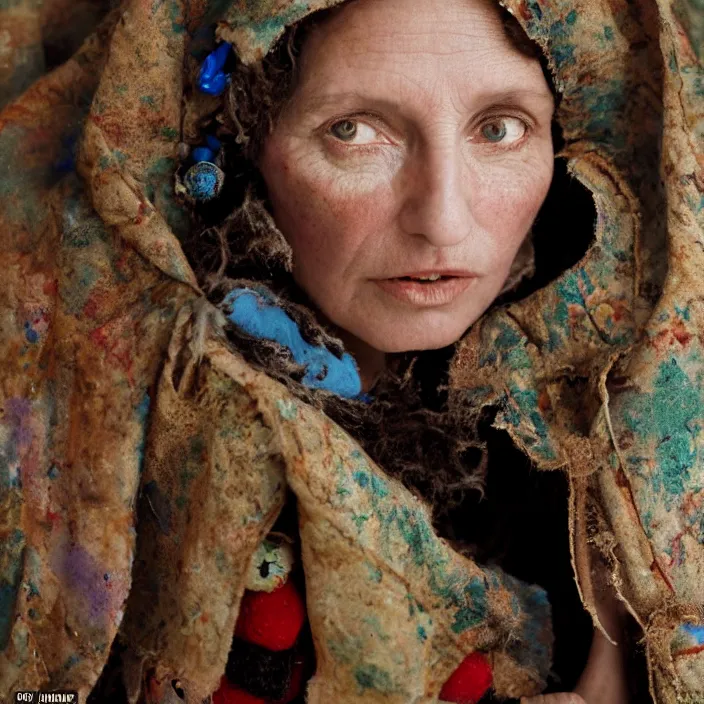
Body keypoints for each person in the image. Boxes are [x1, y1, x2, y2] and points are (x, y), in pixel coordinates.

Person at [197, 0, 630, 702]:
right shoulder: (159, 451)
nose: (443, 219)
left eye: (499, 128)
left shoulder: (610, 449)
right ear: (242, 147)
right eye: (354, 130)